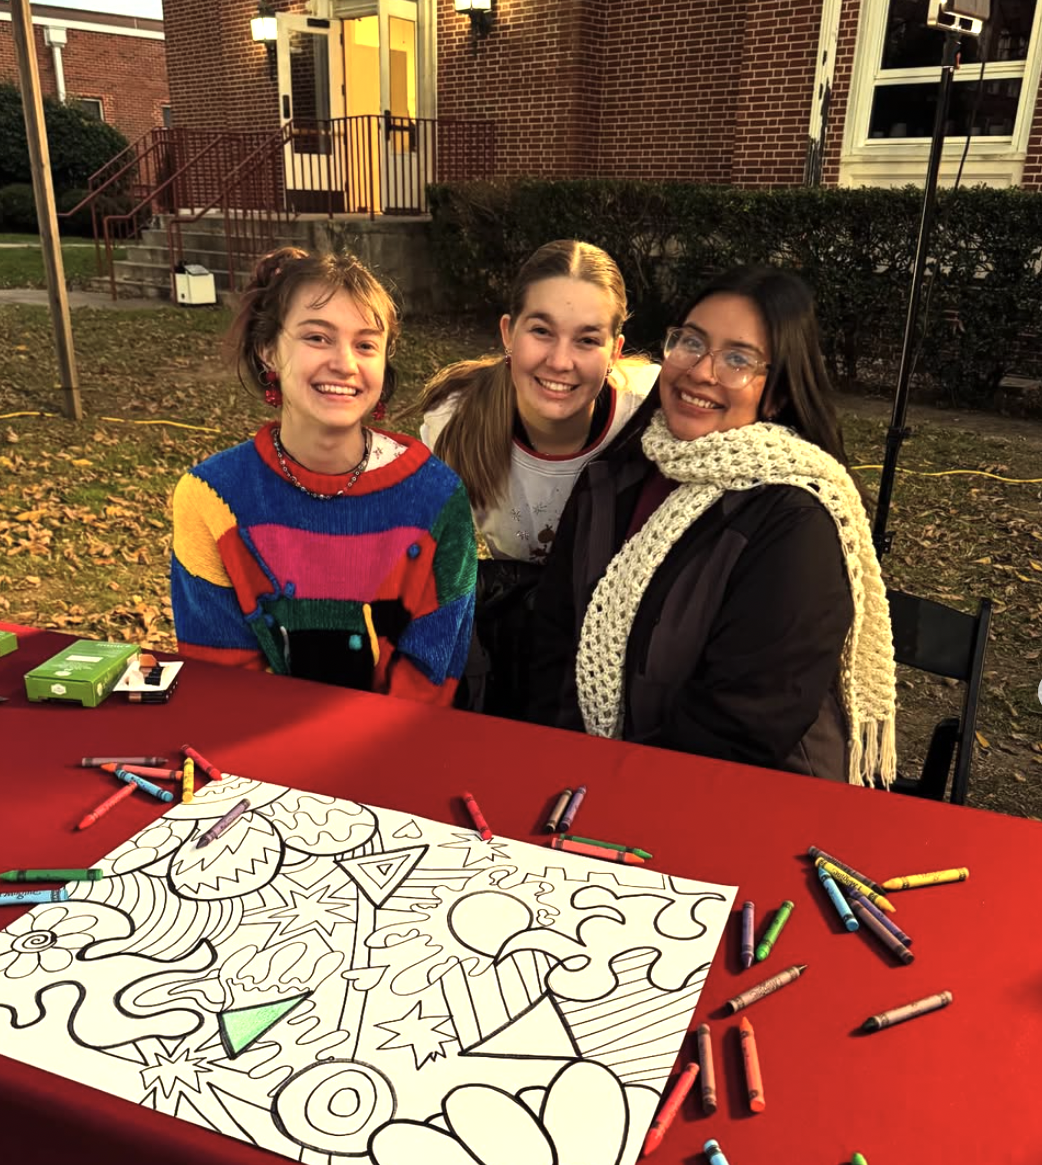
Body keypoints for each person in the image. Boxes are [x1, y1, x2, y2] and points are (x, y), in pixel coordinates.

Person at [528, 265, 897, 785]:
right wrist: (557, 766)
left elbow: (743, 725)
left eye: (738, 360)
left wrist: (609, 785)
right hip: (580, 782)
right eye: (690, 343)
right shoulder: (612, 479)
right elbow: (551, 647)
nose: (702, 371)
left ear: (776, 394)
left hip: (733, 800)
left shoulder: (797, 521)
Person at [171, 246, 476, 704]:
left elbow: (429, 680)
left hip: (396, 750)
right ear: (268, 349)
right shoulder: (211, 498)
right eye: (317, 337)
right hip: (254, 750)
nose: (345, 363)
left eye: (366, 344)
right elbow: (222, 681)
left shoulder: (438, 500)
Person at [418, 239, 659, 715]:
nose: (561, 361)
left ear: (615, 351)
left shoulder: (652, 413)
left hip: (629, 651)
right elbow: (434, 571)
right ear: (509, 333)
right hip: (525, 638)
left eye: (588, 339)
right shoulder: (453, 425)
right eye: (542, 331)